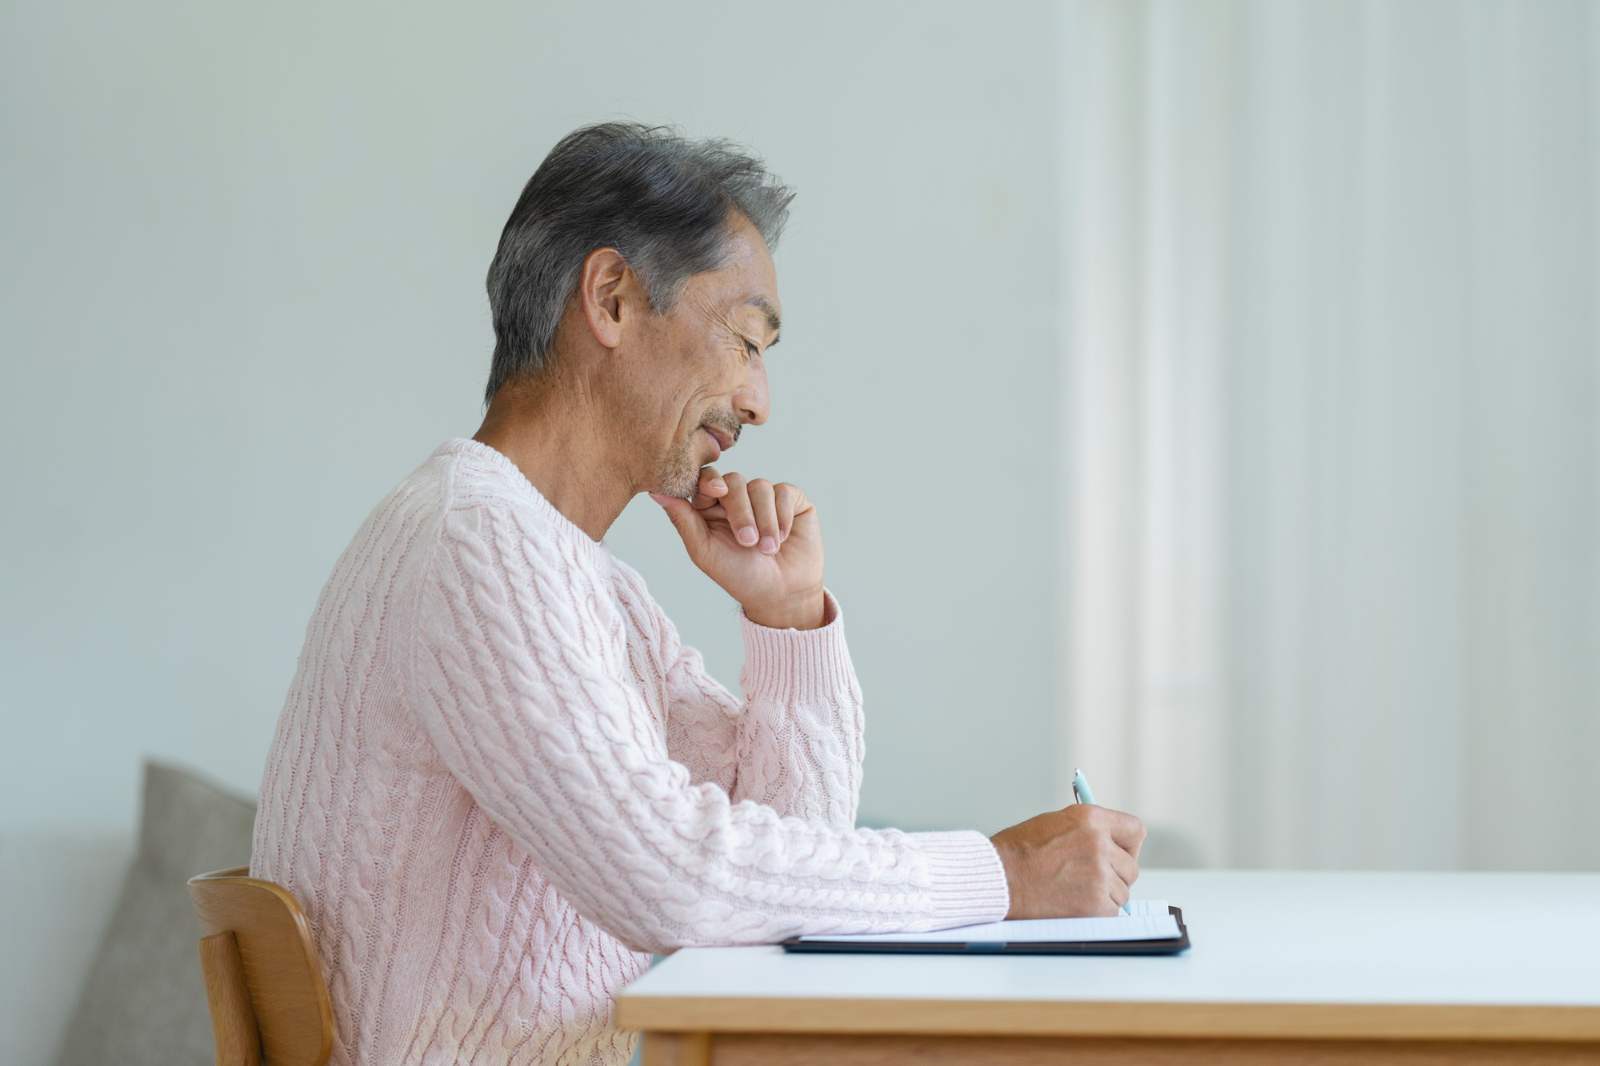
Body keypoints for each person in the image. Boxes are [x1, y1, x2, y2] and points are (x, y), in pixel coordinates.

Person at [249, 121, 1146, 1066]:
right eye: (746, 341)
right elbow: (674, 879)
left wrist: (789, 618)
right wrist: (1002, 874)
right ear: (612, 298)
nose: (760, 402)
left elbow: (786, 871)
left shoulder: (577, 578)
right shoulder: (473, 546)